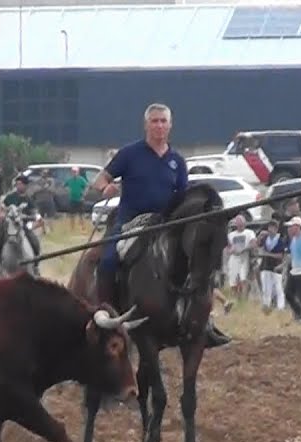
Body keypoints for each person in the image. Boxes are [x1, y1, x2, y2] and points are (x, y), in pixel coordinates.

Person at [89, 102, 229, 346]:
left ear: (170, 125)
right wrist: (105, 187)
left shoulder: (177, 161)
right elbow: (101, 178)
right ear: (146, 125)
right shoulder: (129, 154)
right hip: (131, 219)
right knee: (109, 259)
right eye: (154, 121)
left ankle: (202, 321)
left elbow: (184, 195)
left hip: (166, 222)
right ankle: (107, 317)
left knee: (196, 260)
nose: (159, 126)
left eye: (163, 121)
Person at [64, 166, 89, 232]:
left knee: (81, 215)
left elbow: (86, 186)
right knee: (72, 215)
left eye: (75, 172)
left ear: (78, 172)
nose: (74, 173)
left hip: (80, 200)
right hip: (72, 199)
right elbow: (64, 186)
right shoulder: (69, 180)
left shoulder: (81, 179)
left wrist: (84, 193)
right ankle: (72, 229)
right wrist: (68, 190)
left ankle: (83, 228)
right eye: (73, 172)